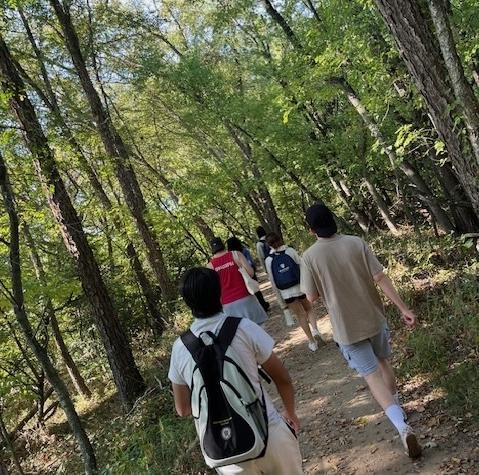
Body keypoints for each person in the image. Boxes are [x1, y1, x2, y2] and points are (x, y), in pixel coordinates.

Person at [300, 203, 422, 459]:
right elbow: (380, 277)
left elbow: (310, 296)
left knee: (372, 377)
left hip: (346, 327)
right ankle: (399, 408)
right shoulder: (356, 242)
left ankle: (400, 425)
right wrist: (403, 308)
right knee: (384, 363)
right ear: (333, 220)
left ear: (311, 230)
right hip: (373, 318)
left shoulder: (310, 257)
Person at [168, 267, 303, 474]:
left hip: (227, 453)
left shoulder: (180, 347)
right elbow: (282, 377)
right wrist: (290, 413)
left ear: (187, 303)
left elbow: (183, 409)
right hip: (270, 436)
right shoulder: (243, 327)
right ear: (219, 293)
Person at [264, 232, 325, 352]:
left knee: (300, 315)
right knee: (309, 309)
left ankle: (312, 342)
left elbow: (273, 281)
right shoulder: (290, 251)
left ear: (268, 245)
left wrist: (280, 300)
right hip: (300, 286)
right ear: (280, 239)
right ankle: (315, 330)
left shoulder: (268, 260)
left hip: (286, 292)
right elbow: (302, 266)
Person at [208, 237, 267, 325]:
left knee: (239, 332)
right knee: (258, 327)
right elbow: (251, 273)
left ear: (212, 249)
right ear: (223, 245)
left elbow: (213, 289)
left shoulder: (210, 266)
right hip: (245, 296)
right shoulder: (236, 254)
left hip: (228, 304)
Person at [256, 226, 295, 327]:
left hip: (272, 264)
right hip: (286, 266)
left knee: (277, 286)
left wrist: (266, 270)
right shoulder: (287, 249)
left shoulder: (259, 244)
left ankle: (286, 312)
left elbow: (261, 257)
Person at [226, 236, 270, 312]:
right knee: (256, 290)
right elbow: (251, 261)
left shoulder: (229, 255)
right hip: (249, 272)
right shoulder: (244, 251)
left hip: (240, 276)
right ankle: (263, 305)